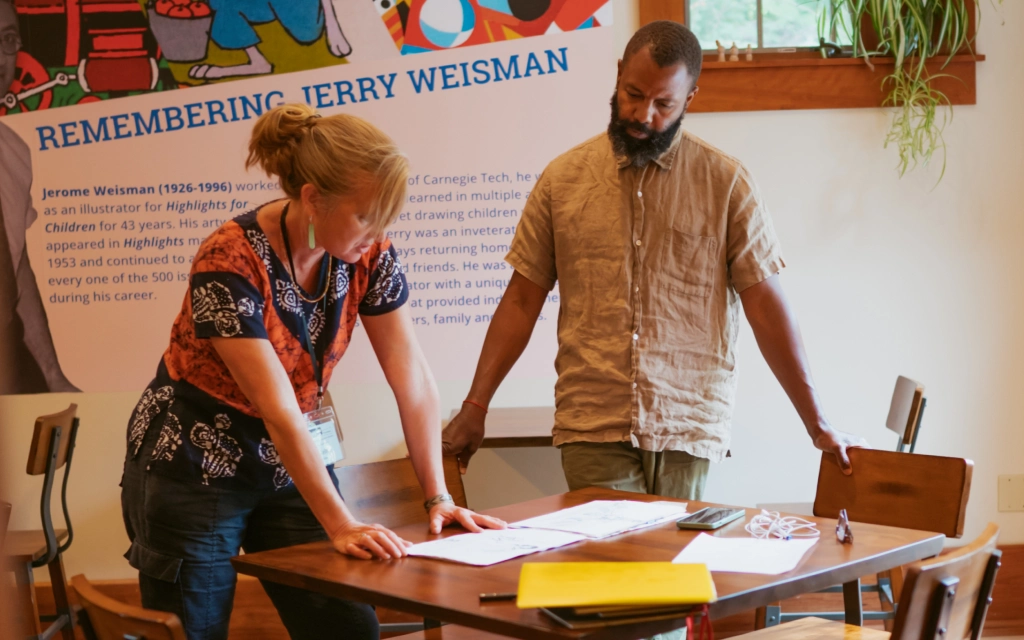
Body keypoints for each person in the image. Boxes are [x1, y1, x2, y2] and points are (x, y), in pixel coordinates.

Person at [121, 103, 504, 640]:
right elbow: (276, 407)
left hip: (288, 463)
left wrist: (438, 495)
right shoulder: (227, 259)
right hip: (194, 462)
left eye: (386, 218)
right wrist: (341, 522)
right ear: (311, 198)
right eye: (365, 215)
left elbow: (412, 377)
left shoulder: (369, 253)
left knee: (349, 629)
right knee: (194, 632)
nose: (376, 233)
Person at [443, 21, 868, 502]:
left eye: (664, 104)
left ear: (690, 98)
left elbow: (765, 304)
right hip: (591, 419)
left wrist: (818, 424)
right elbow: (521, 301)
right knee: (611, 566)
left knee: (674, 568)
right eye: (633, 94)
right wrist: (475, 405)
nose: (643, 115)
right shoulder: (561, 181)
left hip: (687, 422)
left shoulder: (726, 183)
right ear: (618, 74)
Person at [0, 0, 78, 395]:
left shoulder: (14, 151)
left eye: (7, 39)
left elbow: (16, 270)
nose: (0, 56)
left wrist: (51, 374)